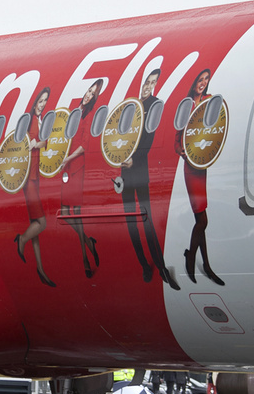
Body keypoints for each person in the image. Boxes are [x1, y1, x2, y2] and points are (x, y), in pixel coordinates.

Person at [119, 67, 181, 289]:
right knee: (130, 222)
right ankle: (145, 265)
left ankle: (161, 267)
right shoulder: (129, 105)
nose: (148, 86)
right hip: (124, 171)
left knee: (147, 221)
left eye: (153, 82)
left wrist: (134, 159)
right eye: (147, 81)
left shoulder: (155, 104)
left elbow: (149, 137)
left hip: (139, 169)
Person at [177, 67, 224, 285]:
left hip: (202, 166)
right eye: (200, 79)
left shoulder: (209, 101)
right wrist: (184, 151)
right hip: (191, 167)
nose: (203, 82)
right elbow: (177, 139)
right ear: (194, 81)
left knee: (201, 219)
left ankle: (202, 262)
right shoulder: (186, 105)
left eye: (207, 79)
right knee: (202, 219)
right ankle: (196, 259)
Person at [57, 78, 106, 277]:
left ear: (94, 98)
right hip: (67, 165)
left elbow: (83, 145)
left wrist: (66, 158)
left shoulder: (89, 115)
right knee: (66, 213)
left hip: (76, 165)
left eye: (92, 94)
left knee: (75, 213)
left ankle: (85, 259)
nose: (88, 95)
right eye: (88, 91)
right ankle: (88, 241)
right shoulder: (75, 110)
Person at [14, 86, 58, 287]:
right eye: (40, 101)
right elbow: (28, 145)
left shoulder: (38, 121)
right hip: (29, 178)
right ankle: (21, 239)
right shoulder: (30, 120)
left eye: (45, 102)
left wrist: (39, 143)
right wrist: (38, 143)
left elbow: (40, 144)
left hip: (35, 175)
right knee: (41, 223)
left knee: (36, 228)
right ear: (34, 102)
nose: (42, 105)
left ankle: (40, 269)